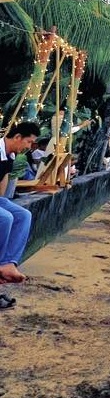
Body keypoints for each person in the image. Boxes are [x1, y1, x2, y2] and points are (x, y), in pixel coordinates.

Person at [0, 121, 41, 286]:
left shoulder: (9, 154)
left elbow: (3, 180)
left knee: (24, 215)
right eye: (29, 141)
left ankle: (8, 263)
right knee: (5, 218)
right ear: (17, 137)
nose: (29, 146)